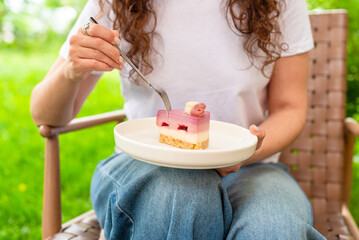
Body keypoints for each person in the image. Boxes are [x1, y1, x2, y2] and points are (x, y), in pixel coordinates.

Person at [30, 0, 326, 239]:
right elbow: (43, 114)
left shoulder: (281, 3)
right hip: (143, 167)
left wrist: (247, 150)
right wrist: (71, 71)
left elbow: (290, 107)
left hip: (253, 169)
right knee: (185, 197)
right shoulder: (114, 4)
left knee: (274, 231)